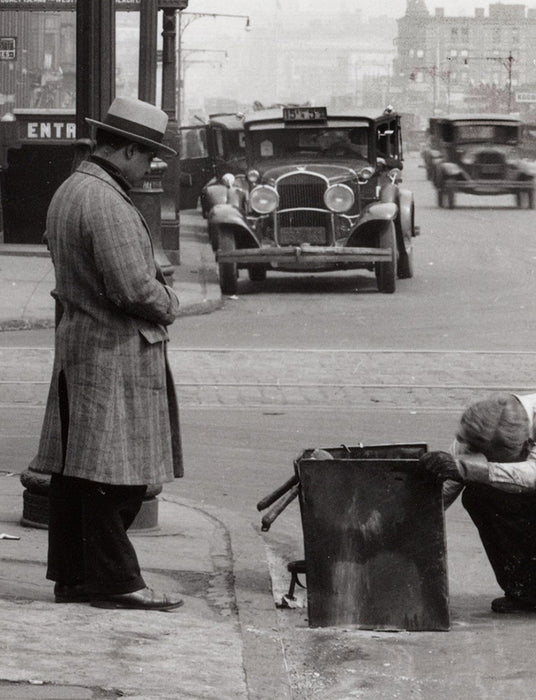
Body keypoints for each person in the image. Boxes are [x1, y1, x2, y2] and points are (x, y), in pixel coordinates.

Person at [31, 96, 184, 611]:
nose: (148, 169)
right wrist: (170, 303)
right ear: (127, 151)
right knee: (116, 480)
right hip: (113, 352)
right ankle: (118, 582)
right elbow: (134, 288)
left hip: (81, 347)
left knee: (78, 475)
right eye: (148, 158)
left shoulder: (70, 191)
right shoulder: (108, 201)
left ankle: (73, 577)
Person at [420, 392, 536, 614]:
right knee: (479, 495)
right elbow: (447, 490)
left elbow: (532, 474)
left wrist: (471, 469)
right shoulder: (475, 433)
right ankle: (528, 592)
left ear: (519, 445)